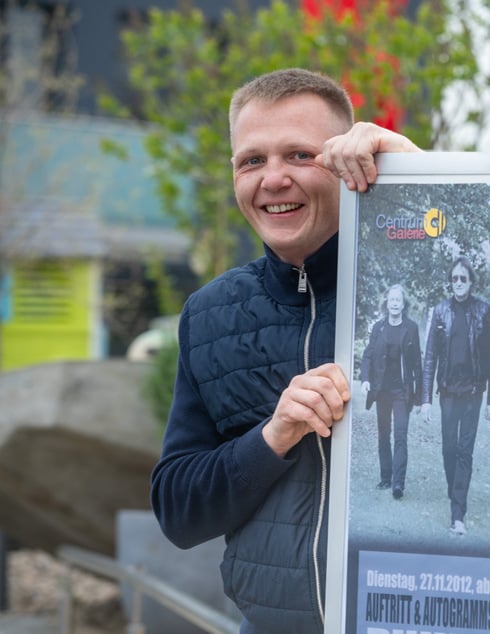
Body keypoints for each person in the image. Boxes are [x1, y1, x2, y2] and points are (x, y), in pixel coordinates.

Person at [149, 68, 420, 633]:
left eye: (300, 155)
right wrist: (271, 438)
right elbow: (178, 512)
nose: (272, 179)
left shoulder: (415, 286)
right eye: (252, 160)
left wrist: (417, 180)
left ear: (350, 162)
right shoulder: (209, 312)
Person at [421, 256, 490, 536]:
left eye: (463, 279)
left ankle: (458, 513)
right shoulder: (441, 311)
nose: (458, 283)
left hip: (473, 393)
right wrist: (426, 398)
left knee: (465, 451)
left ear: (471, 282)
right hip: (448, 393)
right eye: (454, 278)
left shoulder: (483, 311)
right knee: (449, 450)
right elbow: (430, 356)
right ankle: (455, 491)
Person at [360, 284, 423, 499]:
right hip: (381, 391)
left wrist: (421, 397)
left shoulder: (411, 328)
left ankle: (398, 484)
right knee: (383, 435)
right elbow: (368, 355)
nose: (395, 303)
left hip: (402, 392)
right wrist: (366, 378)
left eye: (399, 300)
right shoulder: (378, 328)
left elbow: (416, 364)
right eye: (392, 300)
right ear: (387, 303)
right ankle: (386, 477)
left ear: (404, 304)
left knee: (401, 435)